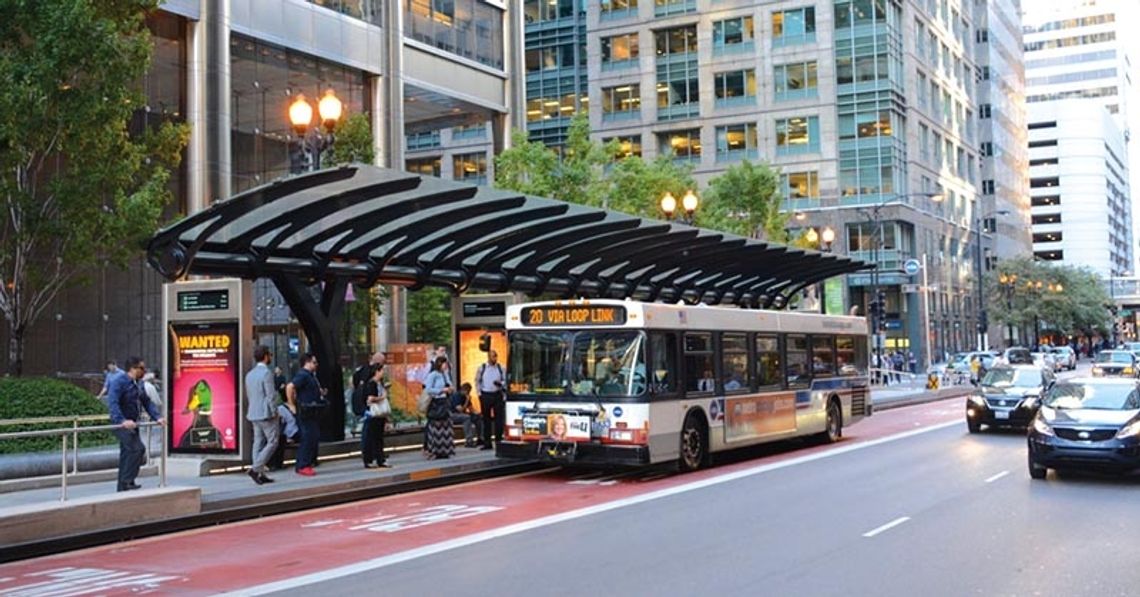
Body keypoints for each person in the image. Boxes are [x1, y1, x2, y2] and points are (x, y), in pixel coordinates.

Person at [106, 357, 164, 492]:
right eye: (141, 368)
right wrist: (121, 421)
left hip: (133, 423)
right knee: (137, 449)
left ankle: (124, 486)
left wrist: (157, 417)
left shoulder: (138, 383)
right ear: (133, 369)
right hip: (121, 424)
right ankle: (127, 481)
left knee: (127, 453)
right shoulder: (119, 382)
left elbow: (146, 401)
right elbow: (113, 403)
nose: (144, 371)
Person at [245, 345, 279, 485]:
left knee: (258, 442)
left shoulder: (250, 374)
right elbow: (271, 395)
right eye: (269, 354)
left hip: (253, 412)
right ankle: (256, 468)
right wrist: (275, 411)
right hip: (266, 414)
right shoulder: (266, 373)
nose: (270, 357)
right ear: (265, 356)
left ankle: (260, 474)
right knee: (273, 441)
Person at [286, 353, 325, 476]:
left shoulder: (310, 376)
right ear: (307, 362)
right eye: (314, 362)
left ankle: (305, 463)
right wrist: (292, 404)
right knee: (308, 437)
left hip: (311, 411)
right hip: (306, 412)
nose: (316, 365)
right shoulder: (303, 375)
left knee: (312, 436)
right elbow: (290, 386)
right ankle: (303, 464)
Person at [423, 356, 456, 459]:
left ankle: (445, 450)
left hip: (445, 402)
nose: (446, 366)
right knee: (435, 427)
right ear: (439, 364)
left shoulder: (445, 374)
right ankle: (434, 450)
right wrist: (441, 390)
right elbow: (428, 389)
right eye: (444, 364)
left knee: (446, 427)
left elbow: (449, 385)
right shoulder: (433, 375)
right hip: (436, 402)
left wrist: (450, 389)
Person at [360, 363, 391, 468]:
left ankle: (380, 458)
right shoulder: (371, 384)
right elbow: (370, 398)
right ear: (377, 371)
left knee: (378, 438)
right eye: (382, 370)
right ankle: (370, 459)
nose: (383, 373)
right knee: (372, 437)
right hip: (374, 414)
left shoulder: (380, 383)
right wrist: (382, 397)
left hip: (380, 415)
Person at [477, 350, 506, 450]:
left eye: (495, 357)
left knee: (499, 419)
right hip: (486, 394)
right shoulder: (482, 368)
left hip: (497, 394)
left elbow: (505, 380)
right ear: (488, 357)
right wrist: (479, 393)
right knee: (486, 419)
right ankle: (487, 442)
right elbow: (477, 380)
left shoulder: (501, 368)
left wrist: (501, 384)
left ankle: (498, 440)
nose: (494, 359)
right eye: (492, 357)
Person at [452, 382, 481, 447]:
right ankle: (469, 440)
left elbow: (471, 409)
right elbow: (460, 410)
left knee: (477, 417)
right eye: (467, 391)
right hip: (453, 414)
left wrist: (476, 413)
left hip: (462, 414)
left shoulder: (466, 396)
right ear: (463, 390)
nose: (468, 393)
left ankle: (480, 437)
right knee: (466, 418)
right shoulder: (457, 396)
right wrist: (467, 401)